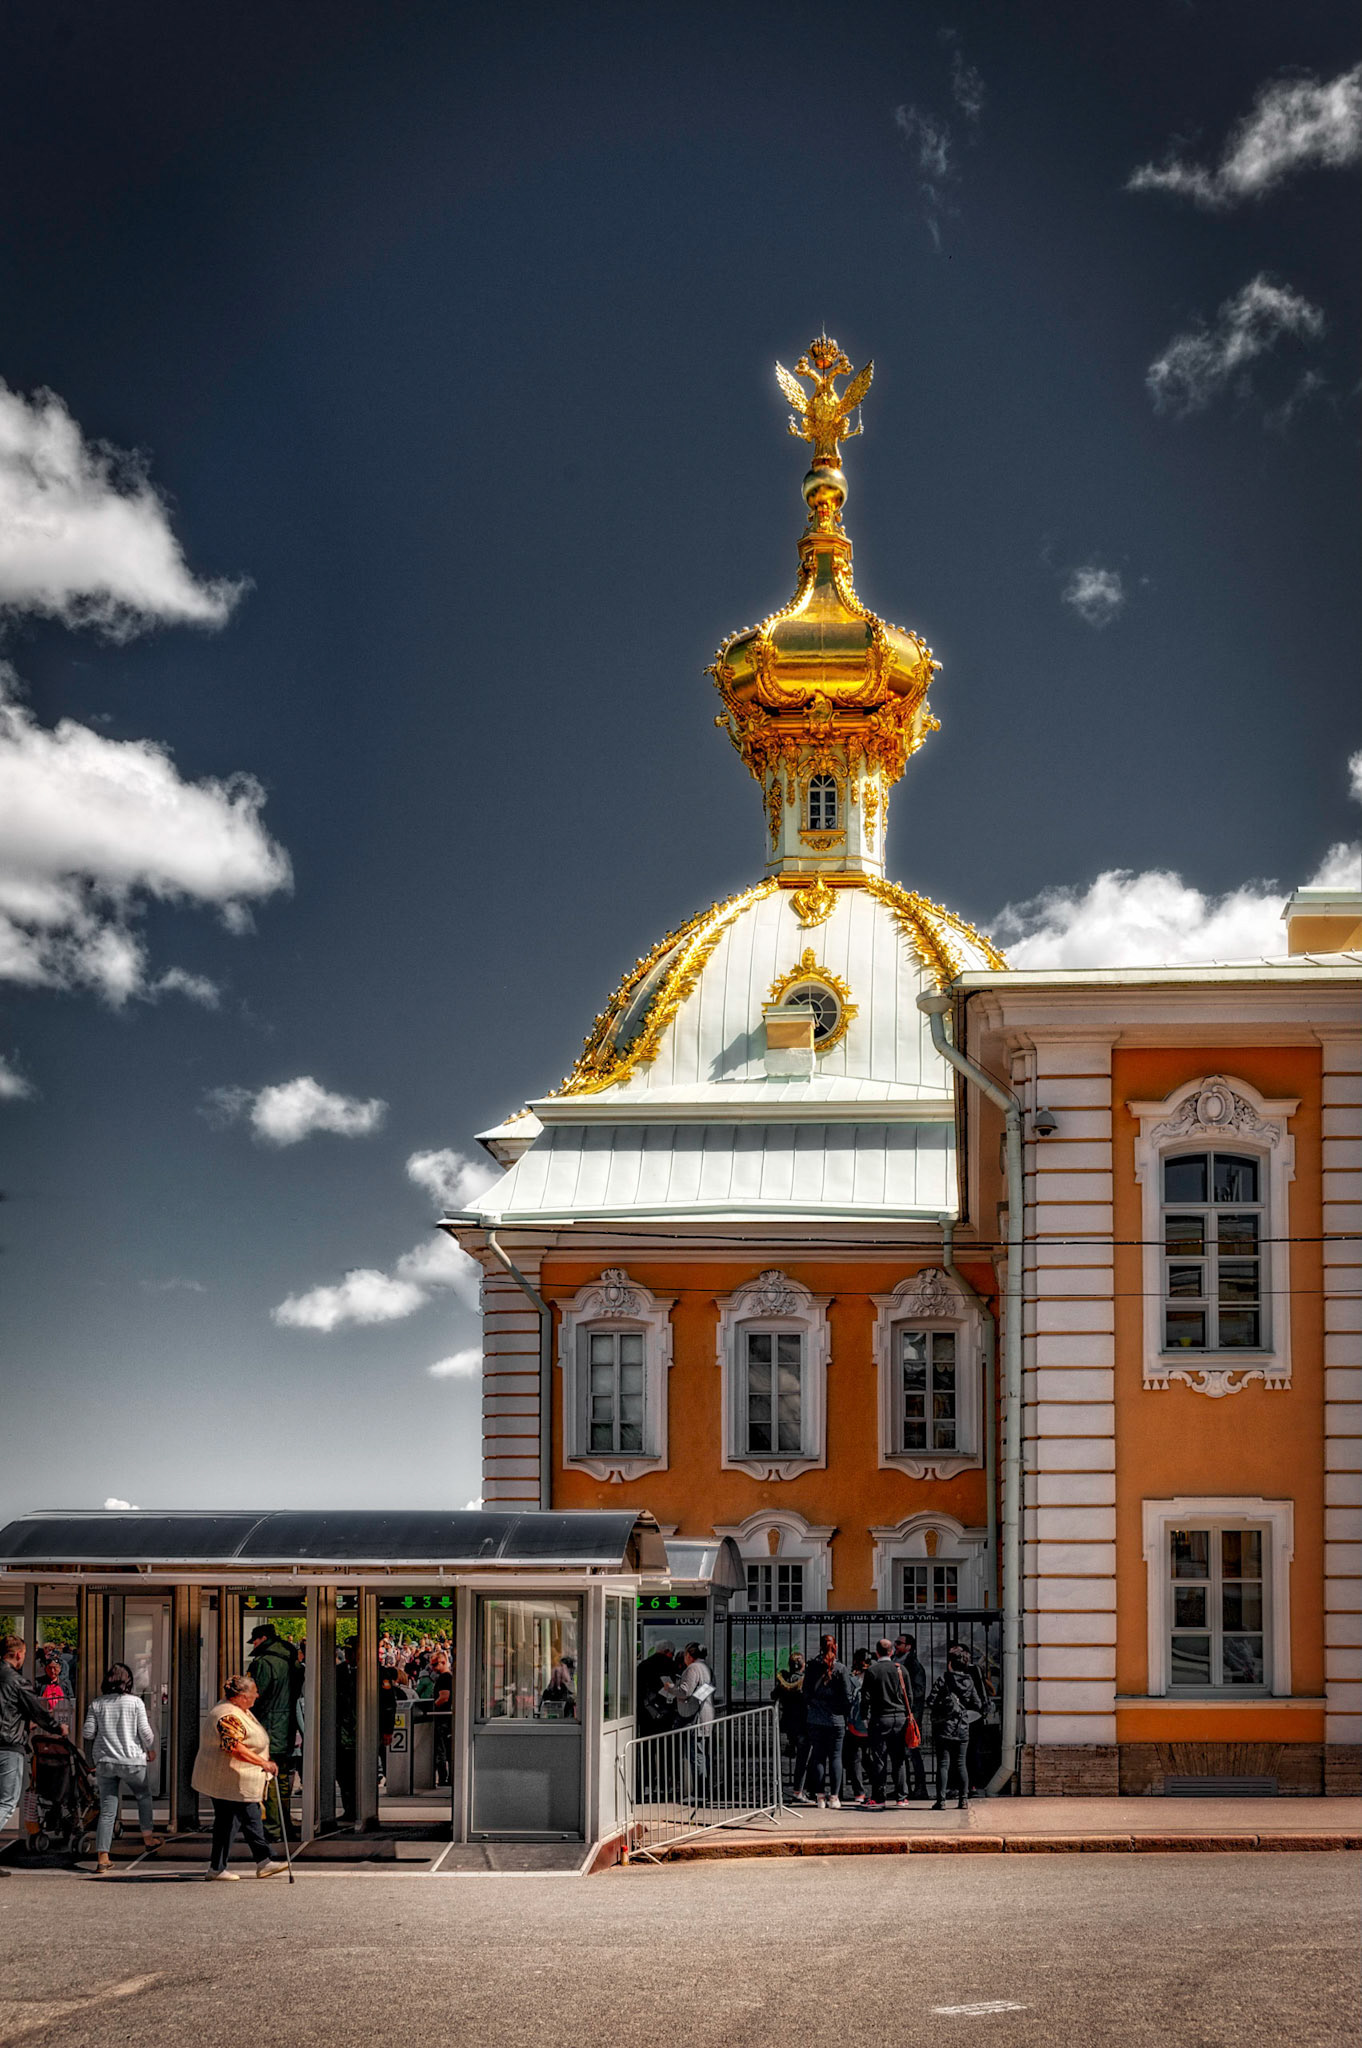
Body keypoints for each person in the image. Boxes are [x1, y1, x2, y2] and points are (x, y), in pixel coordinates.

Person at [192, 1674, 289, 1881]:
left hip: (235, 1778)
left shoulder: (238, 1710)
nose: (257, 1695)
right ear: (242, 1696)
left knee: (229, 1822)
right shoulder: (228, 1715)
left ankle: (219, 1867)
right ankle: (263, 1860)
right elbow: (234, 1747)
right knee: (248, 1818)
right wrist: (262, 1762)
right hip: (230, 1778)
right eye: (254, 1692)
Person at [83, 1662, 161, 1875]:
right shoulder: (135, 1703)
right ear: (128, 1682)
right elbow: (145, 1732)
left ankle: (103, 1857)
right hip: (132, 1761)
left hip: (105, 1761)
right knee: (143, 1796)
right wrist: (150, 1749)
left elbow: (88, 1733)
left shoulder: (96, 1704)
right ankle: (148, 1839)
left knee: (108, 1809)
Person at [0, 1637, 63, 1875]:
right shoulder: (16, 1681)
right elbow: (38, 1710)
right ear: (18, 1654)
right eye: (25, 1654)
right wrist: (57, 1728)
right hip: (8, 1746)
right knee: (7, 1802)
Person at [248, 1623, 303, 1844]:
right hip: (287, 1727)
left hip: (268, 1727)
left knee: (269, 1779)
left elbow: (255, 1697)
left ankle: (273, 1829)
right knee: (282, 1779)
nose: (253, 1644)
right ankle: (285, 1825)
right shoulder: (291, 1661)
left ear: (262, 1638)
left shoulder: (264, 1663)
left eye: (254, 1640)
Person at [926, 1644, 988, 1811]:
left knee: (943, 1764)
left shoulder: (943, 1679)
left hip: (943, 1728)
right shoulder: (969, 1681)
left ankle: (941, 1801)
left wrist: (943, 1706)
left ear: (950, 1663)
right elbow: (978, 1704)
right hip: (962, 1727)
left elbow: (930, 1701)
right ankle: (963, 1800)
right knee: (961, 1763)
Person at [858, 1637, 916, 1811]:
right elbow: (909, 1696)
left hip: (880, 1718)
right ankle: (902, 1796)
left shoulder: (872, 1671)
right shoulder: (901, 1669)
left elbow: (865, 1697)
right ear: (891, 1652)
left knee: (879, 1759)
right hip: (899, 1718)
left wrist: (864, 1717)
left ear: (877, 1652)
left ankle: (879, 1796)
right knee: (899, 1759)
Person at [800, 1635, 852, 1809]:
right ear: (835, 1647)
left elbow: (805, 1692)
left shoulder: (812, 1667)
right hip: (836, 1719)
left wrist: (814, 1705)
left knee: (818, 1757)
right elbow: (847, 1696)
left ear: (820, 1647)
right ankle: (834, 1797)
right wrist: (843, 1712)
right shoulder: (841, 1668)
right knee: (836, 1757)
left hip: (816, 1718)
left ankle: (820, 1797)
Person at [664, 1643, 715, 1795]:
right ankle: (704, 1790)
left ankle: (699, 1793)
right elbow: (706, 1691)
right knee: (703, 1754)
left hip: (694, 1718)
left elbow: (685, 1691)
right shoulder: (707, 1668)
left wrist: (670, 1688)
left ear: (688, 1655)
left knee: (696, 1755)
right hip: (706, 1715)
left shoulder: (692, 1668)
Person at [892, 1634, 928, 1802]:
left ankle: (920, 1788)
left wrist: (903, 1695)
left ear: (908, 1646)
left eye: (899, 1643)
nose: (896, 1645)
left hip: (911, 1714)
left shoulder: (914, 1666)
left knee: (913, 1751)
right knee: (900, 1752)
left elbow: (919, 1691)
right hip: (900, 1712)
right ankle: (902, 1788)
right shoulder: (895, 1662)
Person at [771, 1650, 808, 1797]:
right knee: (804, 1759)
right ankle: (800, 1789)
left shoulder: (784, 1680)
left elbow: (773, 1695)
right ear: (803, 1665)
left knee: (799, 1754)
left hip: (789, 1722)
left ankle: (798, 1788)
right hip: (803, 1722)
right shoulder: (804, 1680)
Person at [842, 1648, 873, 1805]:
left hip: (854, 1725)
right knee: (872, 1758)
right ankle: (877, 1789)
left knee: (855, 1759)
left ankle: (859, 1792)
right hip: (872, 1723)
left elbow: (847, 1699)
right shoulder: (874, 1676)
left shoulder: (851, 1679)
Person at [427, 1651, 452, 1787]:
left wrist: (432, 1707)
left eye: (435, 1664)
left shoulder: (444, 1678)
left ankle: (443, 1777)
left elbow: (444, 1697)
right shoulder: (449, 1677)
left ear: (443, 1662)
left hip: (442, 1718)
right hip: (446, 1718)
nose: (433, 1668)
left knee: (440, 1749)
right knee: (447, 1749)